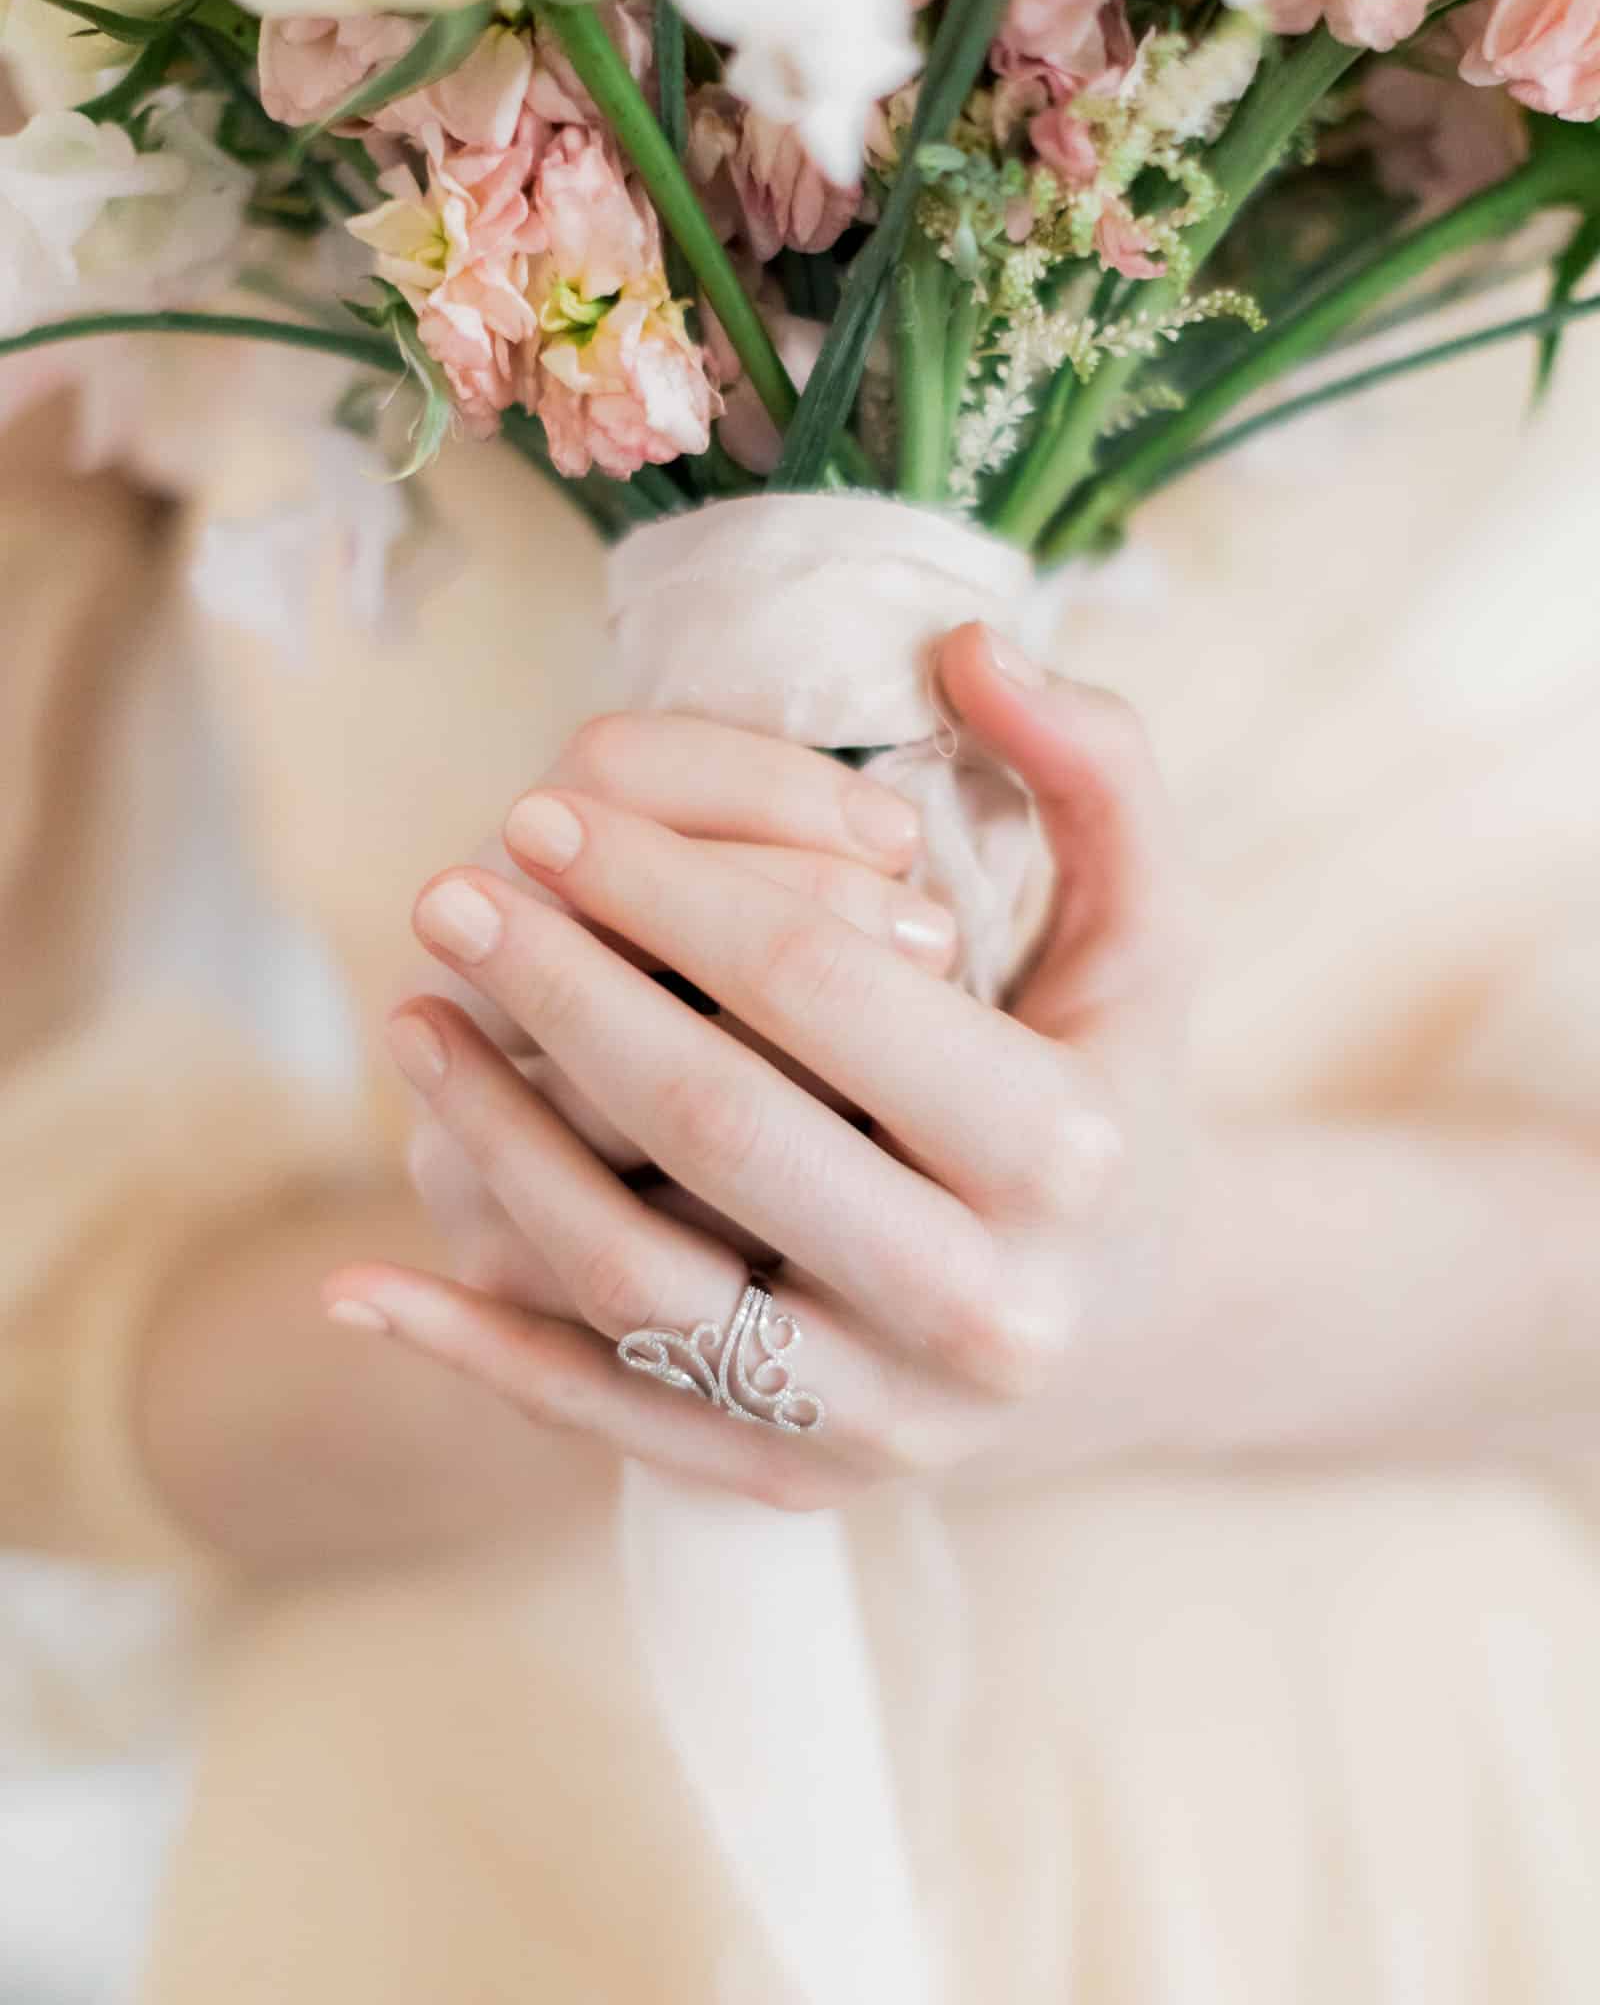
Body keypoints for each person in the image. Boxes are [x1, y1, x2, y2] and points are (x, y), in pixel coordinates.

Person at [5, 301, 1600, 2003]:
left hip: (1353, 1842)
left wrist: (1121, 1307)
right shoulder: (86, 113)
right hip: (480, 1825)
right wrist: (573, 1278)